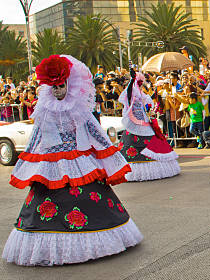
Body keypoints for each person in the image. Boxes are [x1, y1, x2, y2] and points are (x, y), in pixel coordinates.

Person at [2, 55, 143, 266]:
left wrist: (109, 152)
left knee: (90, 201)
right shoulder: (44, 110)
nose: (58, 90)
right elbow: (36, 140)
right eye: (54, 87)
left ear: (68, 84)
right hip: (52, 164)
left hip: (79, 161)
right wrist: (27, 165)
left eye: (61, 86)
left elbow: (96, 133)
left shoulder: (78, 108)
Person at [118, 70, 180, 181]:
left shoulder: (143, 95)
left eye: (141, 83)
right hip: (134, 124)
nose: (140, 85)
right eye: (139, 83)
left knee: (154, 142)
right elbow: (128, 94)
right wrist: (132, 80)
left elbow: (149, 106)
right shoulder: (131, 94)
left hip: (144, 123)